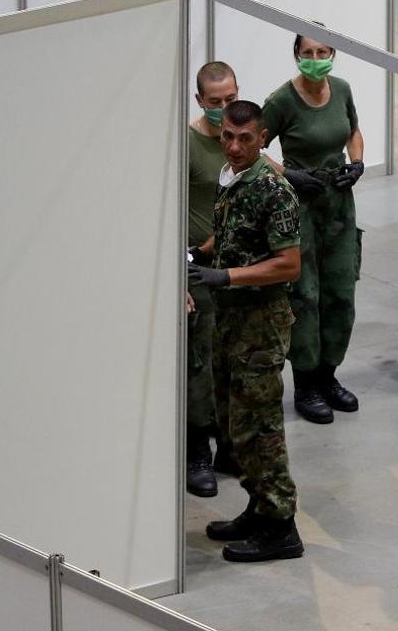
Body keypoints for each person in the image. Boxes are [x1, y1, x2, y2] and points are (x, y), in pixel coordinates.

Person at [190, 100, 305, 563]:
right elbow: (231, 229)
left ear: (262, 139)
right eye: (227, 139)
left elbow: (289, 264)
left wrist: (227, 277)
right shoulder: (232, 179)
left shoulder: (274, 190)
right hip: (232, 322)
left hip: (260, 326)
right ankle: (259, 508)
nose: (234, 147)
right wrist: (202, 253)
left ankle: (281, 527)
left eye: (245, 139)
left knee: (260, 429)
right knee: (235, 425)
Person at [262, 33, 365, 425]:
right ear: (296, 55)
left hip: (338, 204)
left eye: (323, 52)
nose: (316, 59)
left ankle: (329, 375)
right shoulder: (281, 101)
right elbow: (252, 146)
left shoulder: (341, 89)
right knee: (305, 296)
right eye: (308, 53)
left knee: (341, 292)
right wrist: (289, 174)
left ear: (333, 54)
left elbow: (353, 129)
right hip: (300, 206)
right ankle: (306, 383)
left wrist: (356, 163)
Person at [186, 61, 241, 498]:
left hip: (235, 269)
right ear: (200, 100)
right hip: (197, 270)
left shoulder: (240, 140)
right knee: (198, 364)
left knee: (232, 359)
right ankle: (196, 451)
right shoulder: (188, 144)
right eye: (216, 102)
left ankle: (228, 444)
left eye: (231, 99)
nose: (225, 108)